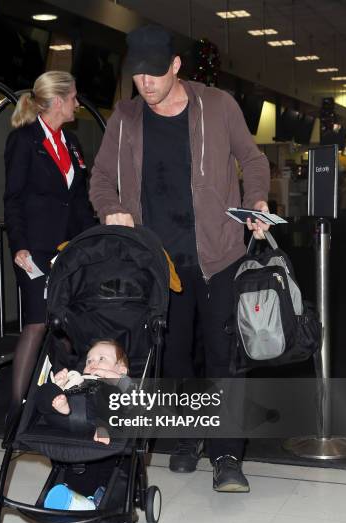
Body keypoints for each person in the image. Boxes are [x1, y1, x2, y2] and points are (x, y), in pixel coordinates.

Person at [89, 25, 271, 492]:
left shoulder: (218, 105)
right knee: (172, 360)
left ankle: (227, 453)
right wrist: (111, 210)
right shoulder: (125, 118)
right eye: (137, 75)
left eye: (155, 73)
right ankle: (188, 438)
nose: (145, 83)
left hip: (218, 256)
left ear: (175, 66)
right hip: (158, 264)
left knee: (222, 357)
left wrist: (258, 202)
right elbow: (101, 179)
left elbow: (252, 160)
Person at [4, 70, 96, 420]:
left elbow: (79, 203)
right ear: (58, 101)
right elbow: (13, 199)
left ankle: (62, 406)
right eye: (73, 97)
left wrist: (92, 242)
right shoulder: (24, 141)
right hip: (34, 249)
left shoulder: (71, 143)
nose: (77, 103)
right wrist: (19, 245)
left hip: (69, 250)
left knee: (68, 325)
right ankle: (15, 414)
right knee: (37, 323)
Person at [36, 340, 129, 444]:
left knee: (112, 394)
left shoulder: (117, 381)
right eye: (89, 361)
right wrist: (59, 383)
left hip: (94, 418)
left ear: (122, 370)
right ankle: (61, 405)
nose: (92, 363)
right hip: (60, 415)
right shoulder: (77, 377)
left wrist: (106, 374)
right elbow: (61, 388)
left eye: (101, 358)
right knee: (45, 388)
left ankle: (104, 428)